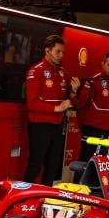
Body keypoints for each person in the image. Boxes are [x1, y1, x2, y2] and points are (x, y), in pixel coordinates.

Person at [24, 35, 80, 185]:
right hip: (40, 125)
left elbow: (69, 102)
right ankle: (24, 196)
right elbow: (32, 103)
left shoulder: (62, 73)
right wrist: (57, 108)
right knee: (35, 165)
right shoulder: (36, 71)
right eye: (58, 51)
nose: (61, 55)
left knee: (52, 166)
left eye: (63, 52)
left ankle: (46, 196)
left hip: (57, 125)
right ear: (47, 51)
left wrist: (74, 91)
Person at [75, 51, 109, 160]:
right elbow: (81, 106)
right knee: (87, 161)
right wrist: (83, 127)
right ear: (103, 64)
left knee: (103, 162)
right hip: (93, 129)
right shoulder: (94, 80)